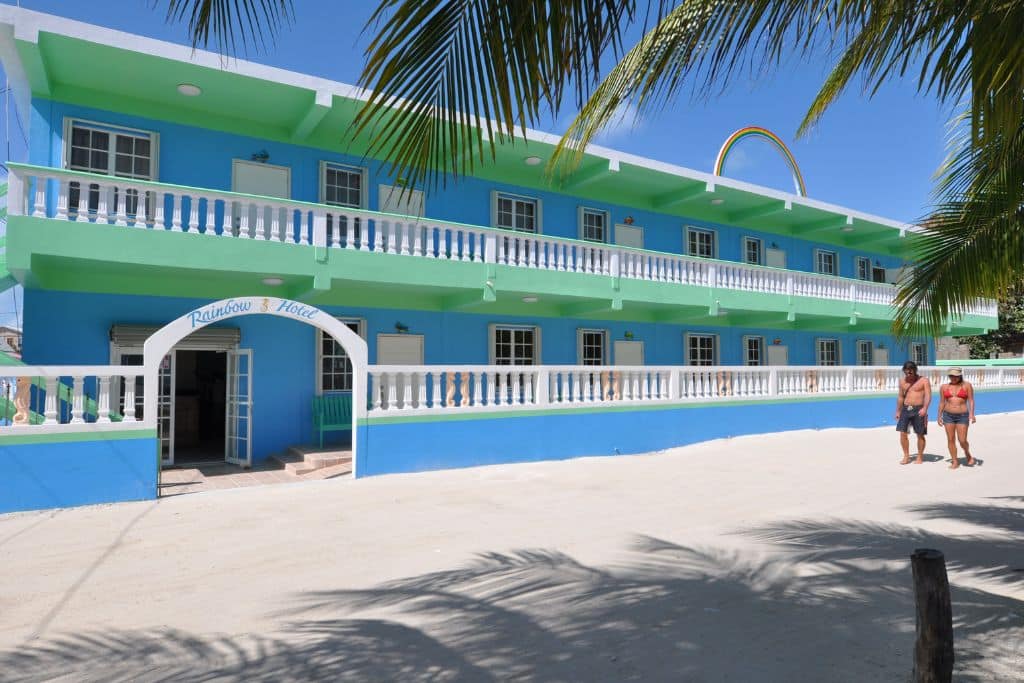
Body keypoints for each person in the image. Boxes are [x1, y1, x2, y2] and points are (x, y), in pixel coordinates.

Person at [937, 367, 977, 468]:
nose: (953, 378)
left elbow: (971, 400)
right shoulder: (944, 387)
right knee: (950, 439)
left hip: (962, 415)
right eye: (951, 376)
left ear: (960, 376)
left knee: (962, 440)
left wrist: (972, 414)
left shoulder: (967, 385)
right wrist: (939, 416)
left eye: (955, 376)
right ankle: (955, 461)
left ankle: (967, 453)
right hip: (948, 415)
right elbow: (942, 402)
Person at [896, 360, 931, 465]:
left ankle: (920, 456)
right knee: (903, 433)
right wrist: (898, 410)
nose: (908, 374)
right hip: (906, 409)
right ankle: (906, 456)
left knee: (920, 434)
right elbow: (901, 397)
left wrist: (925, 408)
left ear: (915, 370)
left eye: (910, 372)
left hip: (919, 409)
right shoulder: (902, 381)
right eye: (906, 372)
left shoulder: (924, 380)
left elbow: (928, 395)